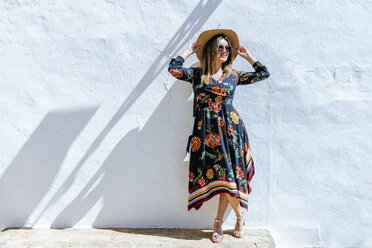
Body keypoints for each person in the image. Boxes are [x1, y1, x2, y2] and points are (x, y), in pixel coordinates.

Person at [167, 29, 270, 243]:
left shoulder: (234, 75)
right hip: (206, 132)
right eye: (220, 47)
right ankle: (237, 217)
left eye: (227, 48)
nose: (224, 51)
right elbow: (173, 69)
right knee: (223, 176)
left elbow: (263, 73)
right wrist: (188, 51)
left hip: (231, 131)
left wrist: (248, 56)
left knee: (229, 175)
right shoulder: (198, 75)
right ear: (212, 50)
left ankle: (220, 222)